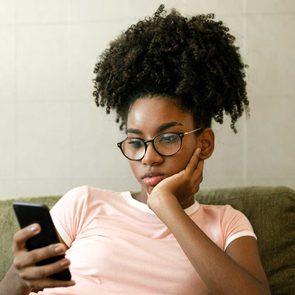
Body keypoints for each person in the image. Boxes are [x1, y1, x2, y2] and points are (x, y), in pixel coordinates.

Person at [0, 5, 270, 295]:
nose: (148, 158)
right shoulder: (83, 203)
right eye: (137, 142)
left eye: (167, 138)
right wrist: (20, 276)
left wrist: (167, 207)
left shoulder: (227, 223)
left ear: (204, 143)